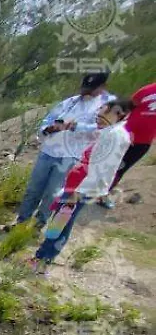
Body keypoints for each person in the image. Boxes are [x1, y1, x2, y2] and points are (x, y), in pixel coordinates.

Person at [30, 99, 132, 270]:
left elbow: (101, 169)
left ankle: (42, 259)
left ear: (118, 114)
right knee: (61, 222)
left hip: (80, 189)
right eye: (98, 114)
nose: (98, 117)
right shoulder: (110, 132)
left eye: (103, 114)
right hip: (77, 186)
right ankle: (44, 257)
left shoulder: (114, 136)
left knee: (60, 224)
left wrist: (75, 193)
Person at [15, 72, 114, 227]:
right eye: (85, 87)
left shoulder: (105, 106)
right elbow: (49, 118)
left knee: (52, 193)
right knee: (33, 189)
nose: (86, 92)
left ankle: (38, 225)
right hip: (48, 151)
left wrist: (75, 126)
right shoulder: (70, 102)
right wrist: (47, 129)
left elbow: (102, 128)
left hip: (69, 156)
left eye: (91, 89)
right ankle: (21, 221)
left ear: (102, 88)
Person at [101, 81, 156, 207]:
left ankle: (103, 194)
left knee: (121, 168)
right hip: (125, 134)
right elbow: (129, 106)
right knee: (106, 160)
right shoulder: (146, 90)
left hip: (144, 141)